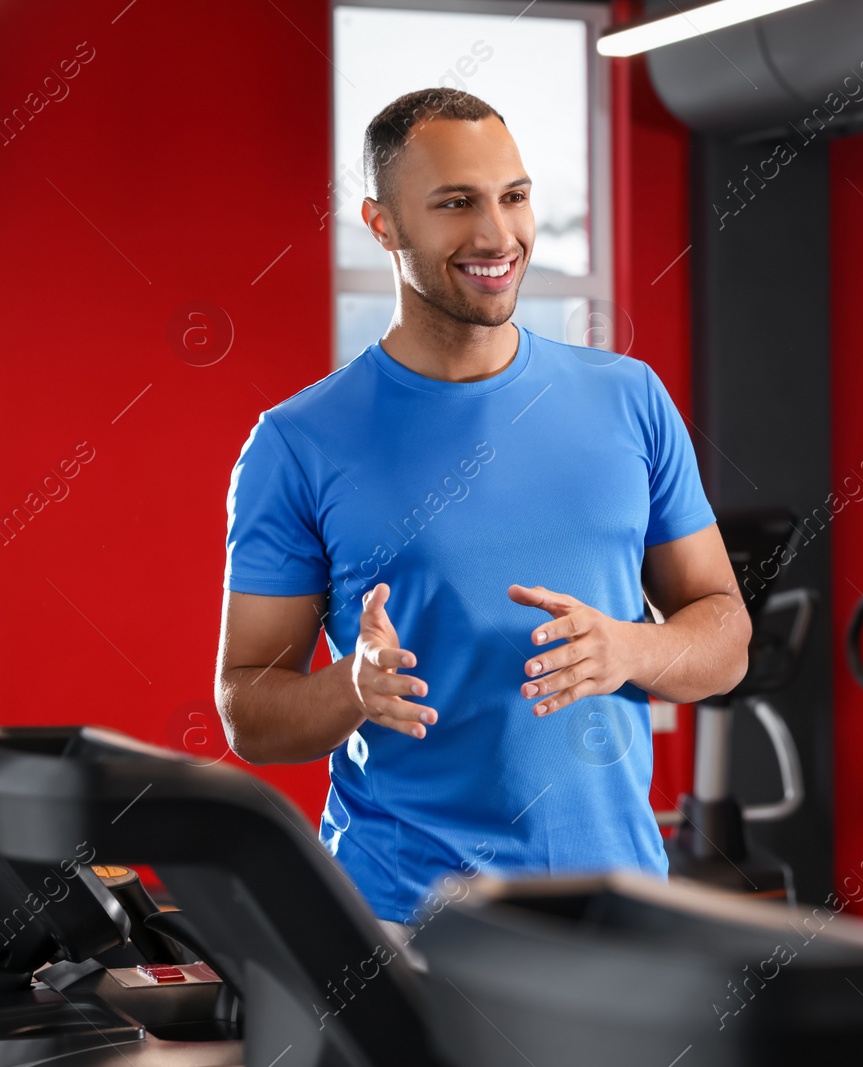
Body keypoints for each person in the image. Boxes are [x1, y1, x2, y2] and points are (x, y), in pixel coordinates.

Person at [215, 89, 749, 952]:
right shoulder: (298, 442)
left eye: (514, 196)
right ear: (383, 224)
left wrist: (630, 649)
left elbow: (725, 636)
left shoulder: (630, 399)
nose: (499, 236)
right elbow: (247, 707)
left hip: (618, 910)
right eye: (457, 203)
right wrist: (349, 688)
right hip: (402, 922)